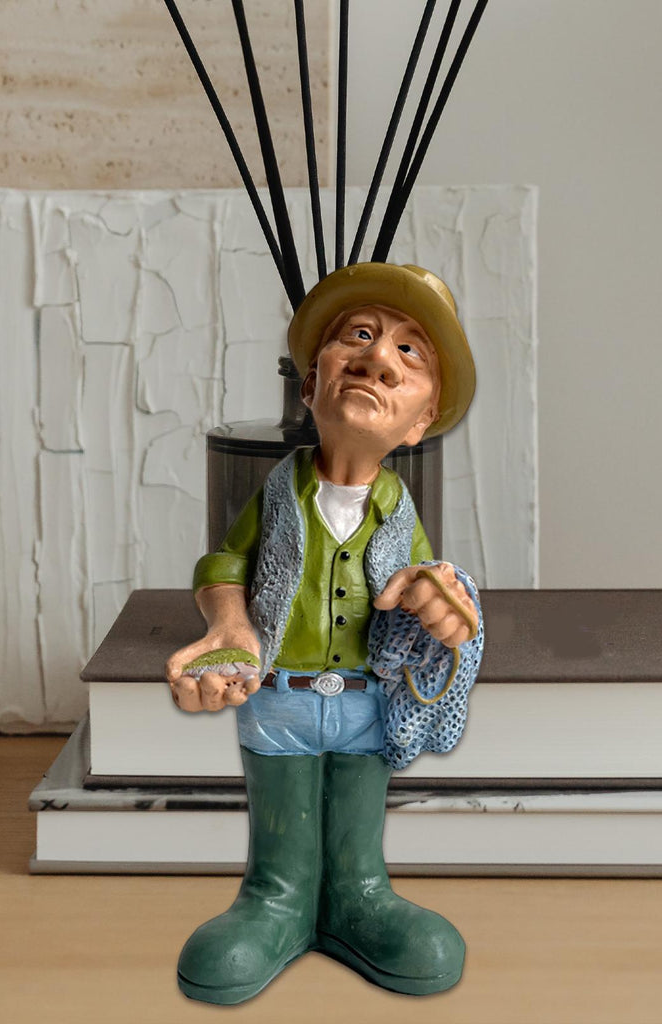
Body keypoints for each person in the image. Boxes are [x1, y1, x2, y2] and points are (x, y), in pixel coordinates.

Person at [164, 262, 481, 1004]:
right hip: (279, 698)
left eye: (409, 353)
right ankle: (276, 900)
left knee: (355, 828)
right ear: (309, 386)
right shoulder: (280, 491)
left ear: (420, 422)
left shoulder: (397, 509)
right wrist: (230, 624)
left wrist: (443, 598)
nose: (378, 359)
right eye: (359, 336)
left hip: (368, 701)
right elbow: (226, 562)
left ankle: (357, 897)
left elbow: (426, 578)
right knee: (284, 827)